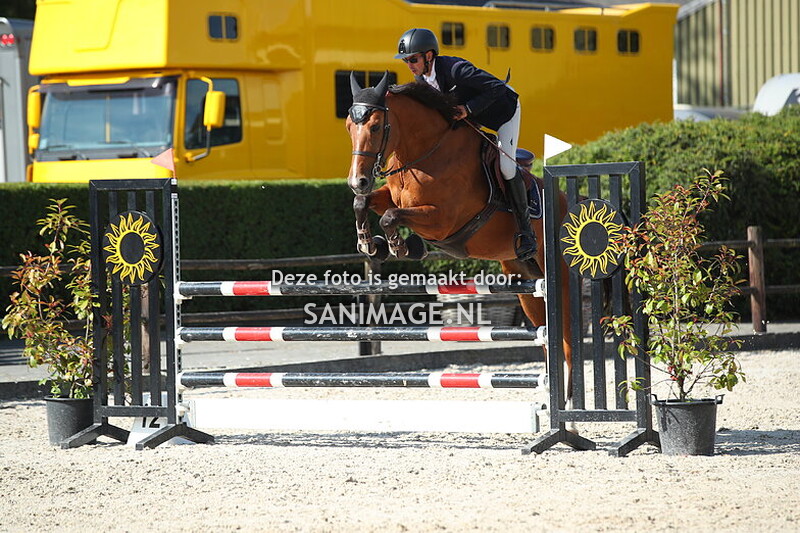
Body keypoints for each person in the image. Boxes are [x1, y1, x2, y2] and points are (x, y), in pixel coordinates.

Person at [395, 28, 536, 261]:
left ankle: (526, 232)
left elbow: (497, 87)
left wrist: (468, 109)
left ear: (429, 56)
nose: (409, 65)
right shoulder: (421, 79)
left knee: (507, 168)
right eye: (406, 60)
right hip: (471, 119)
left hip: (502, 112)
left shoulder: (455, 69)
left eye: (413, 59)